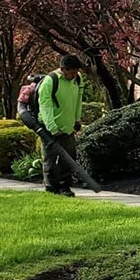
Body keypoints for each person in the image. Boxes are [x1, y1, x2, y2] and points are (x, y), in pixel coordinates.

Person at [38, 55, 85, 196]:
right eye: (72, 72)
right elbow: (45, 106)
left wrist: (76, 120)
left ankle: (65, 187)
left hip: (68, 127)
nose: (74, 75)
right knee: (50, 159)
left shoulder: (77, 79)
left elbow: (78, 99)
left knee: (69, 158)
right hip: (49, 127)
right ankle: (51, 188)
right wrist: (52, 128)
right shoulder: (50, 81)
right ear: (63, 69)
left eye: (76, 72)